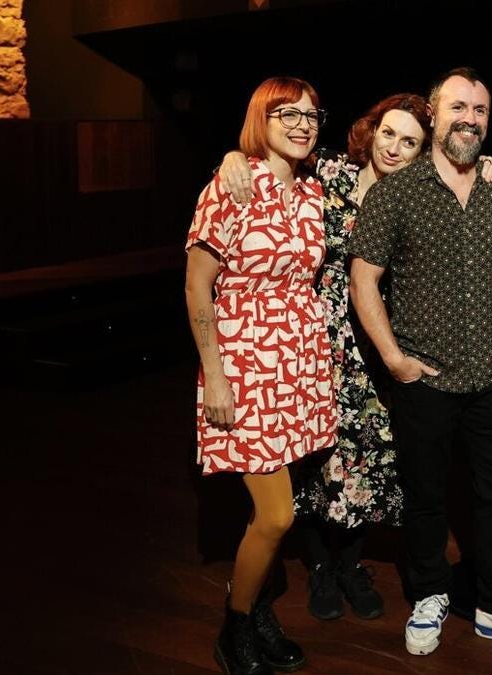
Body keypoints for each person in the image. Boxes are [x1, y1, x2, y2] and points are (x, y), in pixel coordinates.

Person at [218, 94, 492, 624]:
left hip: (374, 342)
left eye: (409, 142)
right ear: (371, 132)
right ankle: (320, 566)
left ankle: (351, 564)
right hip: (309, 337)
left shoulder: (415, 194)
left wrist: (487, 162)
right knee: (310, 455)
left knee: (367, 456)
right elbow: (270, 159)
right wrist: (232, 158)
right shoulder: (328, 173)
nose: (394, 148)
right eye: (388, 134)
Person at [348, 66, 492, 656]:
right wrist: (395, 359)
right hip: (424, 378)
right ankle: (428, 596)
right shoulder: (396, 191)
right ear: (434, 114)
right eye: (458, 108)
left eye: (480, 110)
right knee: (426, 498)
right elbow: (363, 281)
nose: (470, 119)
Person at [185, 76, 335, 675]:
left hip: (298, 366)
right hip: (245, 367)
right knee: (276, 516)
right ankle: (236, 625)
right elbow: (197, 286)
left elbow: (383, 163)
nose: (302, 125)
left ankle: (259, 611)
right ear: (260, 119)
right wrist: (215, 376)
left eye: (311, 115)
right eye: (286, 114)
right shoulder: (229, 185)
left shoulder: (315, 190)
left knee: (271, 516)